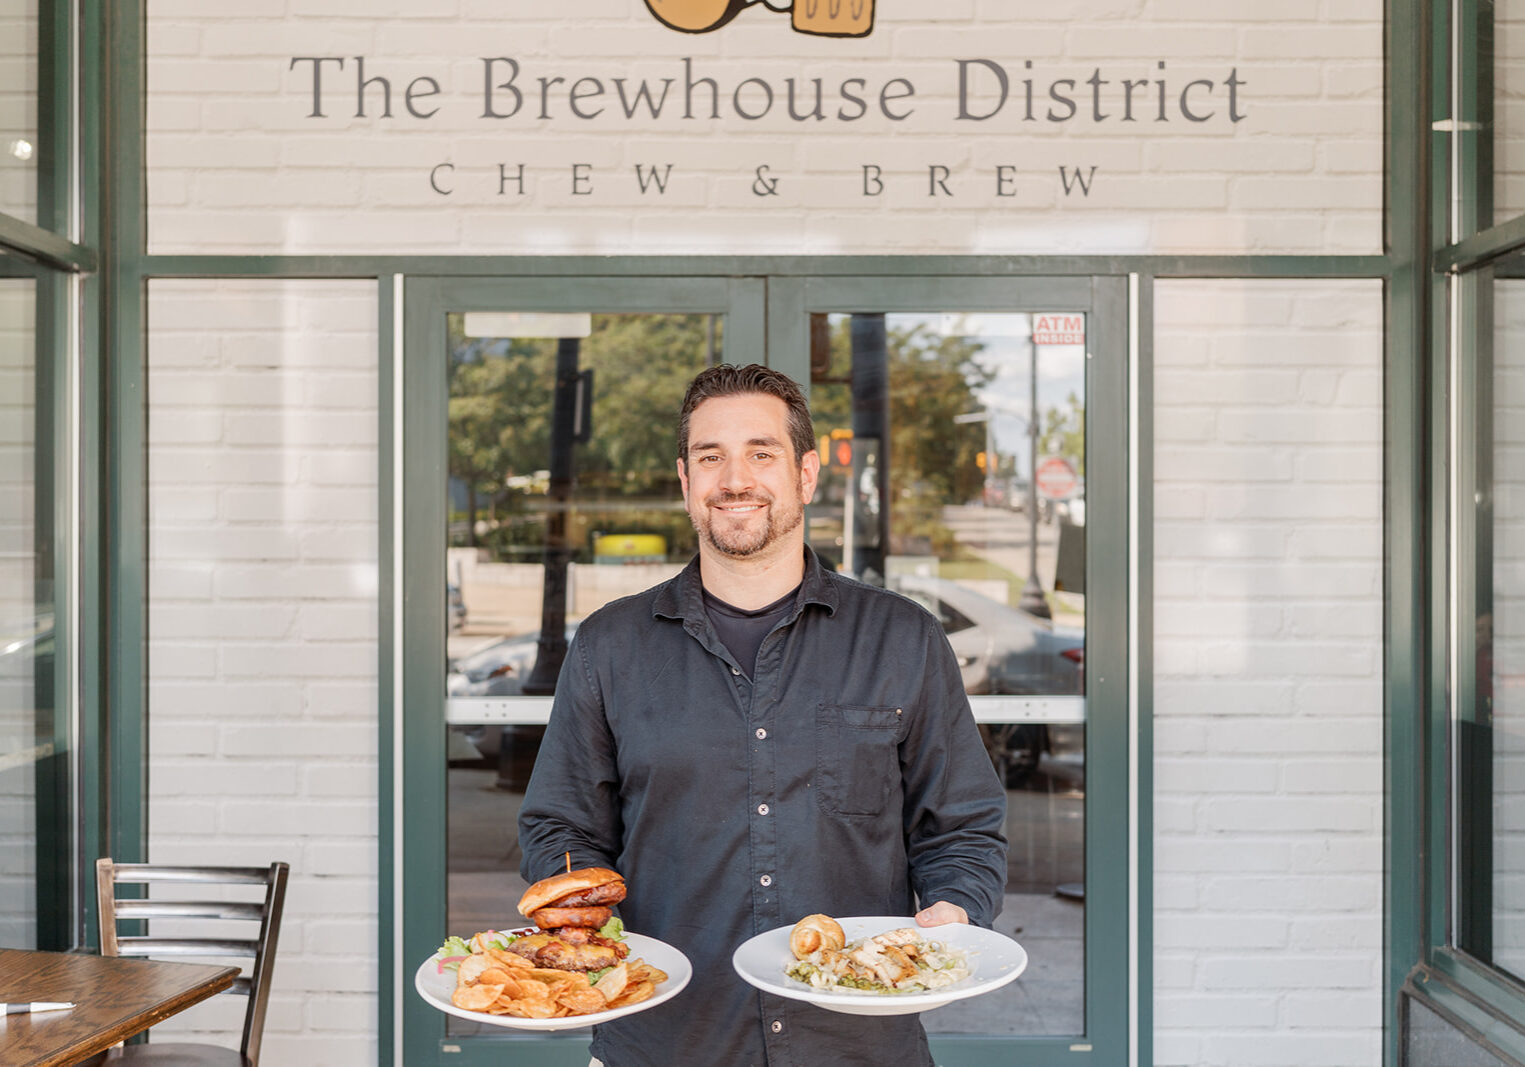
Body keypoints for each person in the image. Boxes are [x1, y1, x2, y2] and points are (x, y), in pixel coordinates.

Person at [518, 363, 1008, 1067]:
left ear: (806, 474)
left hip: (857, 1046)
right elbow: (559, 826)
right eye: (710, 456)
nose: (734, 478)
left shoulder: (902, 638)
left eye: (760, 452)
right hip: (664, 1042)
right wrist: (582, 924)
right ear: (685, 481)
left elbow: (962, 825)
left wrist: (953, 914)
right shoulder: (609, 646)